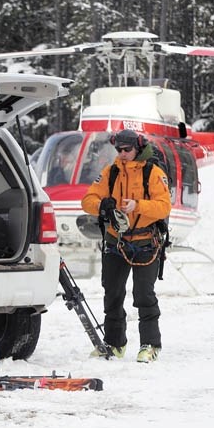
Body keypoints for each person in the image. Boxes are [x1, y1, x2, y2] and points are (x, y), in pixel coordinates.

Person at [81, 129, 171, 363]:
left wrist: (138, 206)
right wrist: (104, 205)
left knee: (143, 294)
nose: (122, 154)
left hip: (145, 243)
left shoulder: (153, 173)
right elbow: (87, 200)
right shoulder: (110, 172)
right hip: (115, 242)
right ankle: (114, 342)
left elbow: (163, 207)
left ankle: (150, 344)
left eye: (126, 150)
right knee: (112, 293)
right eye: (118, 150)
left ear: (138, 148)